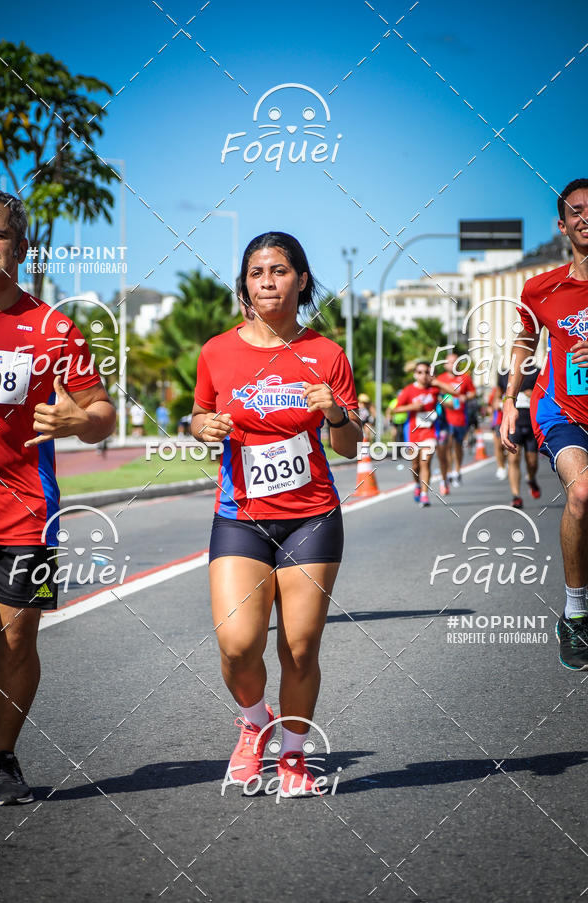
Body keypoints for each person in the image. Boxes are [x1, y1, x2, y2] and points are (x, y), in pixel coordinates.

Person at [191, 232, 361, 796]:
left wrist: (336, 413)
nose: (268, 280)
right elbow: (199, 413)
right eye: (257, 272)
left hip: (311, 515)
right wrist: (201, 426)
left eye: (279, 270)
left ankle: (292, 756)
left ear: (301, 280)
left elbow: (351, 447)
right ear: (245, 283)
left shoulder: (326, 355)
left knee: (300, 646)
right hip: (241, 515)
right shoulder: (217, 351)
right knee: (239, 643)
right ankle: (254, 720)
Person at [0, 190, 116, 803]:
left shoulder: (54, 329)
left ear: (21, 247)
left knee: (17, 638)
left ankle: (2, 758)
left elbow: (102, 413)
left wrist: (79, 423)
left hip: (25, 513)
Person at [501, 178, 588, 671]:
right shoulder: (540, 288)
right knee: (581, 493)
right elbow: (523, 340)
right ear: (562, 225)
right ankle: (576, 613)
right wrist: (510, 398)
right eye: (576, 211)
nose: (585, 218)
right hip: (562, 411)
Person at [393, 362, 440, 507]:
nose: (423, 375)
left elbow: (454, 393)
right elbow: (395, 409)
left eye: (427, 372)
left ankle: (425, 495)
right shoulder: (408, 390)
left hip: (430, 432)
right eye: (420, 372)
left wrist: (437, 381)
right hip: (413, 433)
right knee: (415, 465)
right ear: (415, 374)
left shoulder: (434, 389)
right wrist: (411, 407)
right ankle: (417, 485)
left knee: (425, 463)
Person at [497, 366, 540, 507]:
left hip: (532, 423)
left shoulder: (537, 372)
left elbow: (546, 394)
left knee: (532, 462)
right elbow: (498, 395)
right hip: (513, 424)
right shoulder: (505, 373)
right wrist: (498, 404)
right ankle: (516, 495)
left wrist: (533, 394)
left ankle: (531, 479)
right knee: (513, 459)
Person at [432, 352, 476, 487]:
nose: (452, 364)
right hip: (445, 419)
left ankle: (457, 470)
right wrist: (440, 400)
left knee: (458, 446)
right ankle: (449, 472)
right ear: (445, 365)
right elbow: (435, 395)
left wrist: (466, 397)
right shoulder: (440, 379)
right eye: (450, 362)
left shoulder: (465, 378)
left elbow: (473, 392)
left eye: (455, 362)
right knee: (447, 446)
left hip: (460, 417)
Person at [488, 384, 507, 480]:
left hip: (513, 421)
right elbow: (492, 405)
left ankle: (507, 463)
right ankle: (501, 467)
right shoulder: (496, 390)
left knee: (507, 447)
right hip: (499, 421)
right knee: (498, 446)